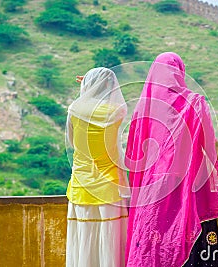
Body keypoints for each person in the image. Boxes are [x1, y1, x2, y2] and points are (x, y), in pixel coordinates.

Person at [124, 52, 218, 267]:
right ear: (180, 71)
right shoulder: (193, 102)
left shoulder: (143, 108)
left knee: (153, 245)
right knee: (193, 239)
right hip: (188, 188)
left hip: (153, 192)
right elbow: (210, 145)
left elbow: (135, 156)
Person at [65, 67, 130, 267]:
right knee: (110, 241)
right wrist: (99, 83)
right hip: (109, 186)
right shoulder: (116, 112)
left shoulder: (74, 110)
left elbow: (72, 141)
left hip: (81, 185)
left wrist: (89, 84)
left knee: (84, 238)